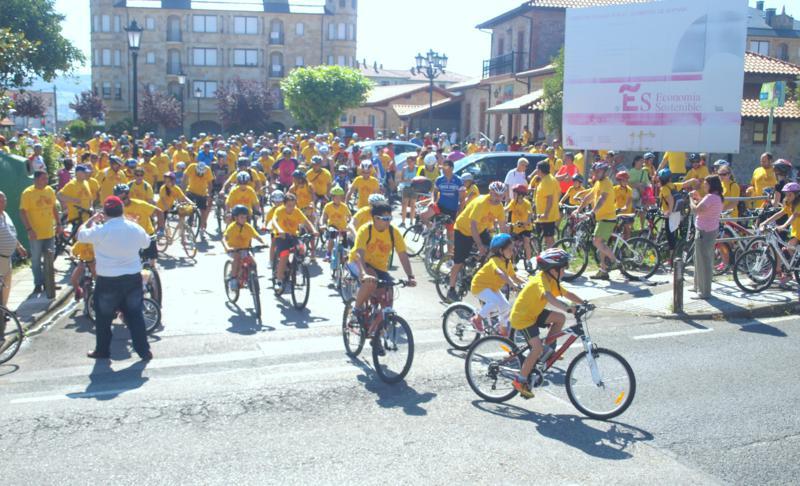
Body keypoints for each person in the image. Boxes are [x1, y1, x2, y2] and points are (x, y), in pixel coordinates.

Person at [77, 196, 153, 361]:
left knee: (103, 318)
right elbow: (146, 243)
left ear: (105, 213)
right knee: (135, 315)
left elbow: (80, 235)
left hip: (108, 280)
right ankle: (144, 351)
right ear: (122, 210)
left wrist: (91, 220)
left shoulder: (101, 230)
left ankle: (102, 350)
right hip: (132, 278)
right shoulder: (134, 227)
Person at [510, 248, 585, 399]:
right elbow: (549, 297)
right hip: (523, 318)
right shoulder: (541, 281)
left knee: (560, 318)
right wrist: (568, 308)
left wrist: (584, 303)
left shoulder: (551, 279)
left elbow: (567, 293)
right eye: (563, 268)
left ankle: (548, 351)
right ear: (553, 270)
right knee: (536, 348)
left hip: (534, 313)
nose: (565, 271)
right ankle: (520, 380)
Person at [347, 201, 416, 352]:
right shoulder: (366, 230)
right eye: (385, 218)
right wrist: (363, 272)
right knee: (370, 281)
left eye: (390, 218)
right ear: (375, 218)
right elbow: (359, 253)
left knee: (388, 300)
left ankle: (376, 335)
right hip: (358, 262)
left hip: (379, 267)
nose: (388, 221)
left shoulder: (393, 232)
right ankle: (356, 310)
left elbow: (402, 254)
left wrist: (410, 276)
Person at [447, 181, 508, 301]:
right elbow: (472, 226)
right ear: (490, 193)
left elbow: (502, 227)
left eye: (501, 195)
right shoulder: (481, 203)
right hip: (463, 229)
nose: (498, 198)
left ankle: (476, 263)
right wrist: (480, 245)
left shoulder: (500, 206)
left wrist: (507, 244)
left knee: (494, 249)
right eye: (496, 194)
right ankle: (451, 289)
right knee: (459, 261)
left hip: (480, 229)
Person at [470, 233, 524, 334]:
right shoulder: (494, 261)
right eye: (509, 249)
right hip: (479, 287)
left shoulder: (507, 262)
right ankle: (477, 319)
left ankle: (502, 329)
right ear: (500, 251)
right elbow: (501, 273)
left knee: (506, 306)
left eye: (512, 249)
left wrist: (527, 283)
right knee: (494, 302)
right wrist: (512, 284)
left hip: (492, 288)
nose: (512, 251)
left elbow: (514, 276)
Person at [573, 162, 618, 280]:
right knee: (601, 245)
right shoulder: (598, 183)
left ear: (604, 172)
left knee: (596, 242)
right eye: (595, 172)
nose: (596, 173)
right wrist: (578, 209)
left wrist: (592, 212)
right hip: (601, 218)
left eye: (598, 171)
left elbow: (602, 199)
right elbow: (589, 197)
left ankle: (615, 261)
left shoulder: (606, 183)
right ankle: (603, 271)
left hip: (607, 218)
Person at [19, 170, 60, 294]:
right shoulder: (28, 193)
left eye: (47, 178)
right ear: (36, 179)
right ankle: (38, 283)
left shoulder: (49, 190)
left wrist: (59, 224)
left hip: (49, 231)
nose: (46, 181)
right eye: (43, 178)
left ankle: (49, 282)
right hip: (36, 233)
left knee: (50, 258)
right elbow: (22, 212)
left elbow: (54, 208)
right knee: (36, 260)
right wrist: (29, 229)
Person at [270, 193, 317, 293]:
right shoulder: (279, 210)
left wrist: (313, 230)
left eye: (293, 205)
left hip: (293, 235)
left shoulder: (297, 211)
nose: (291, 207)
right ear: (284, 204)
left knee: (301, 248)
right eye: (289, 205)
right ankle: (279, 281)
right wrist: (279, 230)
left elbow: (306, 221)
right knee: (284, 255)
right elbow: (274, 221)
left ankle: (296, 266)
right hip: (281, 236)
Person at [759, 183, 800, 288]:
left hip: (798, 232)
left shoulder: (798, 204)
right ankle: (789, 272)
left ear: (796, 195)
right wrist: (765, 222)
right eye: (786, 194)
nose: (787, 197)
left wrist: (783, 225)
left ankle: (790, 272)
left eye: (790, 195)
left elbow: (794, 215)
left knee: (789, 248)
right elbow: (780, 213)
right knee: (786, 250)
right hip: (795, 231)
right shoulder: (788, 203)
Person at [690, 175, 724, 300]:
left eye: (706, 183)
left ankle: (704, 292)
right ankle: (697, 286)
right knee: (699, 258)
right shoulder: (716, 197)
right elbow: (705, 207)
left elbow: (696, 209)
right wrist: (698, 198)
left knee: (703, 261)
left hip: (704, 232)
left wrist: (691, 199)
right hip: (710, 231)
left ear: (711, 185)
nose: (704, 185)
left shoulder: (710, 197)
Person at [222, 205, 266, 291]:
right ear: (236, 218)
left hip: (245, 249)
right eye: (242, 217)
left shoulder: (247, 226)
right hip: (233, 249)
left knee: (253, 263)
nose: (244, 219)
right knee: (237, 258)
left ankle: (252, 280)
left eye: (245, 217)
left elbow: (256, 236)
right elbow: (224, 239)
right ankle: (233, 279)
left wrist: (264, 243)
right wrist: (227, 247)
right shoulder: (232, 227)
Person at [0, 192, 28, 318]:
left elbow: (11, 232)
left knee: (6, 284)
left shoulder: (5, 214)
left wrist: (19, 246)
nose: (3, 203)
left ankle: (4, 309)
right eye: (0, 201)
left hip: (7, 257)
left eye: (4, 200)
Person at [534, 160, 560, 249]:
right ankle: (550, 253)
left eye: (537, 169)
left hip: (547, 216)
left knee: (549, 238)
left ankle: (552, 254)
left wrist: (546, 213)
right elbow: (558, 193)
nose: (536, 171)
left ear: (540, 170)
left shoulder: (547, 181)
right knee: (547, 237)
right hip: (545, 214)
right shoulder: (549, 178)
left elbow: (550, 198)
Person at [321, 186, 351, 262]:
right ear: (332, 197)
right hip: (333, 226)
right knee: (332, 235)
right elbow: (324, 217)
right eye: (336, 197)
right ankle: (328, 253)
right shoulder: (328, 206)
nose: (338, 199)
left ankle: (344, 258)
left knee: (345, 244)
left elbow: (349, 216)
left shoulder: (344, 206)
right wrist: (323, 224)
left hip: (343, 228)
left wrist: (349, 225)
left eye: (340, 197)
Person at [184, 161, 213, 236]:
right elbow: (185, 178)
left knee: (203, 211)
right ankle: (189, 222)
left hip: (202, 193)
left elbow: (210, 184)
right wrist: (183, 190)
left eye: (201, 174)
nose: (200, 175)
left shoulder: (208, 170)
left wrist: (209, 195)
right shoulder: (191, 167)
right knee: (190, 209)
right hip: (191, 191)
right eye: (198, 173)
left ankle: (202, 228)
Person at [397, 155, 418, 227]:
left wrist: (412, 180)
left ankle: (411, 222)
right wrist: (407, 180)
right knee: (404, 205)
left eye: (410, 161)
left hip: (414, 188)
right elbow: (401, 179)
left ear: (414, 162)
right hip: (406, 187)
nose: (408, 163)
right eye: (407, 161)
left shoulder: (417, 169)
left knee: (413, 205)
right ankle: (403, 222)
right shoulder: (404, 169)